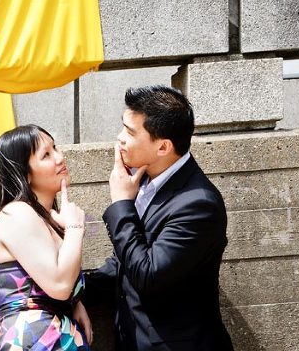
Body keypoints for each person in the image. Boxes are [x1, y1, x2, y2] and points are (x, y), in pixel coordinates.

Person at [83, 85, 234, 350]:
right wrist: (68, 295)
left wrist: (121, 204)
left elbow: (148, 275)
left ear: (163, 147)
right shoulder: (144, 181)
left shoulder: (199, 204)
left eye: (130, 132)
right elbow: (124, 263)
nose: (119, 138)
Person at [0, 124, 93, 350]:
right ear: (24, 173)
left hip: (53, 338)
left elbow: (53, 284)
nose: (60, 157)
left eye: (55, 148)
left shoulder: (44, 219)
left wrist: (74, 303)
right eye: (46, 155)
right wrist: (75, 227)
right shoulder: (16, 213)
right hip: (35, 341)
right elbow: (59, 284)